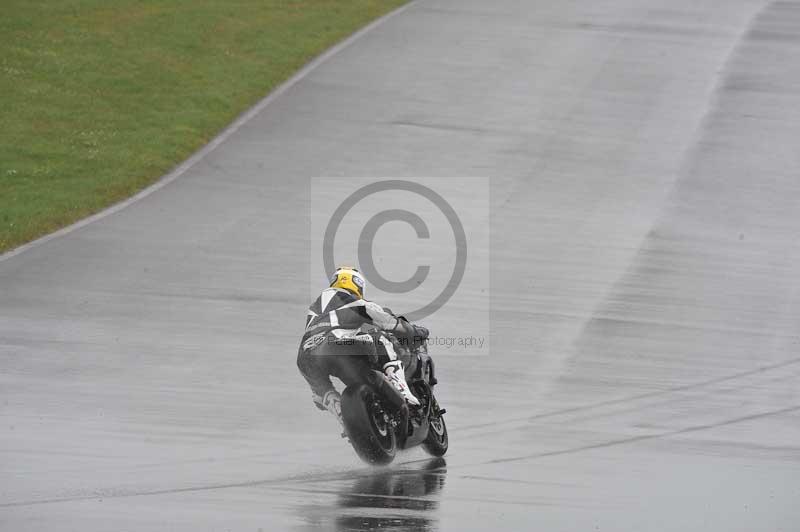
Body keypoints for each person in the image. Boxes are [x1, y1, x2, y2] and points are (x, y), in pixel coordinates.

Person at [297, 266, 429, 428]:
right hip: (335, 344)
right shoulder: (350, 300)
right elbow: (388, 322)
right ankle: (403, 392)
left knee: (324, 392)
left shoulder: (316, 308)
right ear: (358, 285)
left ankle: (342, 415)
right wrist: (413, 331)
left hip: (305, 357)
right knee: (380, 339)